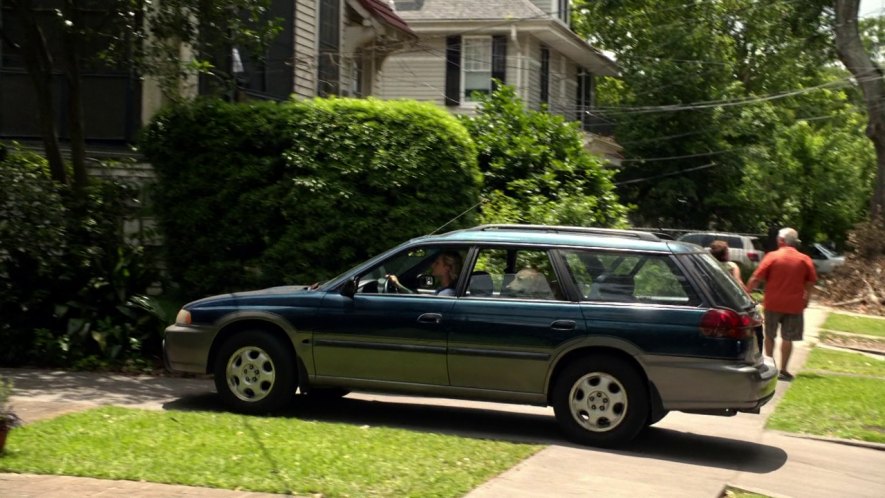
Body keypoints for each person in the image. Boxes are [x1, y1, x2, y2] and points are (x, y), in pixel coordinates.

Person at [746, 227, 817, 381]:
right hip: (794, 305)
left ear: (782, 241)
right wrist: (807, 299)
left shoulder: (772, 256)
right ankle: (784, 370)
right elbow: (811, 282)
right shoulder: (804, 259)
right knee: (788, 338)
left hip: (773, 303)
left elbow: (755, 277)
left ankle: (770, 366)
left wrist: (746, 294)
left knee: (769, 336)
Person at [388, 250, 462, 296]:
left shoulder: (446, 293)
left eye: (437, 263)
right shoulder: (444, 289)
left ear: (447, 268)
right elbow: (422, 298)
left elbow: (419, 303)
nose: (432, 265)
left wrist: (398, 285)